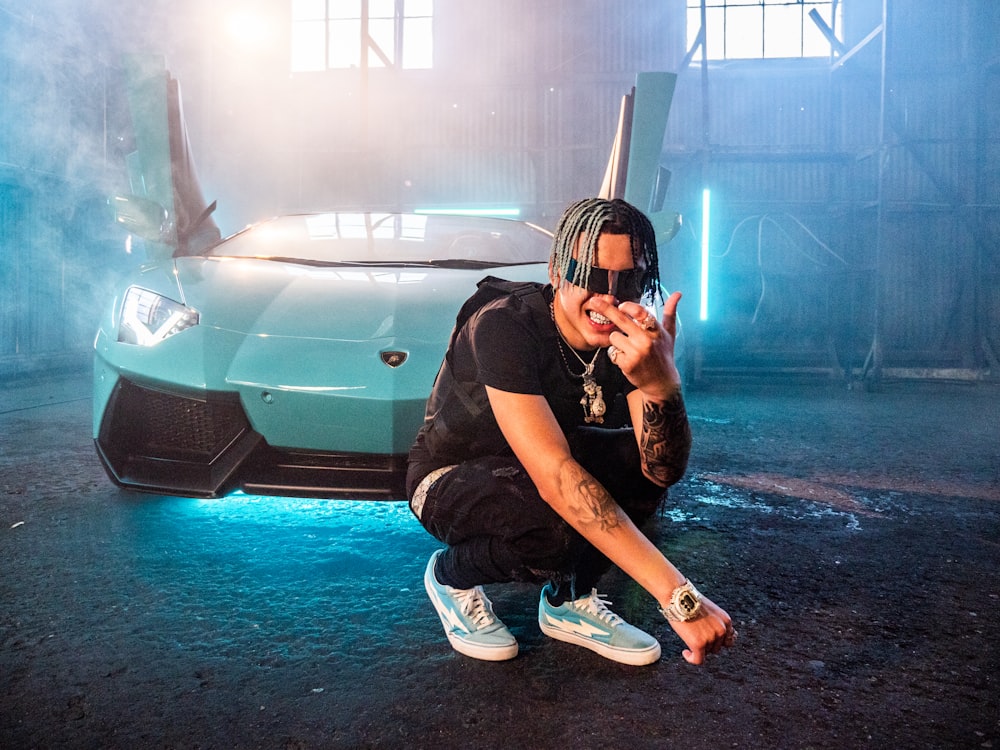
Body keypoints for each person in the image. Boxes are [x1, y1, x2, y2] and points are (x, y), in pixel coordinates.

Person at [406, 197, 735, 666]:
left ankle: (569, 599)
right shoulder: (504, 323)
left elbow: (662, 469)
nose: (609, 297)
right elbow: (557, 479)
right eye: (591, 276)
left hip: (540, 468)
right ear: (556, 272)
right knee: (554, 525)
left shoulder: (626, 337)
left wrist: (663, 386)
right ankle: (450, 575)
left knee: (639, 474)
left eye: (629, 280)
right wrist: (680, 597)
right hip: (448, 476)